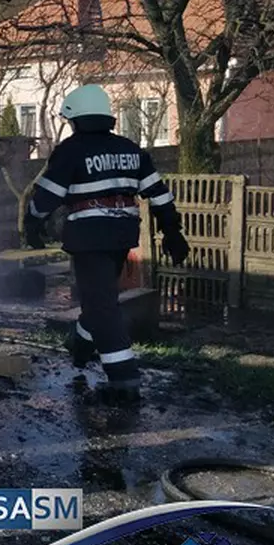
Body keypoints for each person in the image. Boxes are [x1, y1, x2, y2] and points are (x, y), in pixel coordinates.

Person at [24, 84, 189, 403]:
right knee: (99, 298)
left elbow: (45, 198)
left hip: (88, 239)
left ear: (76, 119)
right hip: (122, 235)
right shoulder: (131, 149)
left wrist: (32, 223)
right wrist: (172, 232)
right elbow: (159, 194)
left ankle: (124, 380)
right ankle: (81, 346)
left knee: (102, 305)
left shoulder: (71, 150)